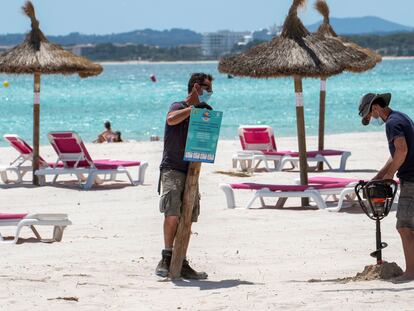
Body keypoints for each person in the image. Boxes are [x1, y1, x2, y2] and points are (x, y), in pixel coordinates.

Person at [156, 73, 213, 279]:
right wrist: (193, 110)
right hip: (172, 167)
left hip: (192, 170)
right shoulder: (178, 106)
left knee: (188, 215)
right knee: (172, 211)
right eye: (207, 89)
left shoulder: (205, 111)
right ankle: (167, 255)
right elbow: (171, 120)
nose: (210, 94)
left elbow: (207, 138)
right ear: (196, 87)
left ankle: (182, 259)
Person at [359, 93, 414, 283]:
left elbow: (402, 150)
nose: (372, 118)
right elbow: (396, 154)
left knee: (405, 227)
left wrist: (391, 175)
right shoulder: (401, 117)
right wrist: (381, 175)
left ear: (375, 107)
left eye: (370, 115)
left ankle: (411, 273)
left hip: (412, 180)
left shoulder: (392, 123)